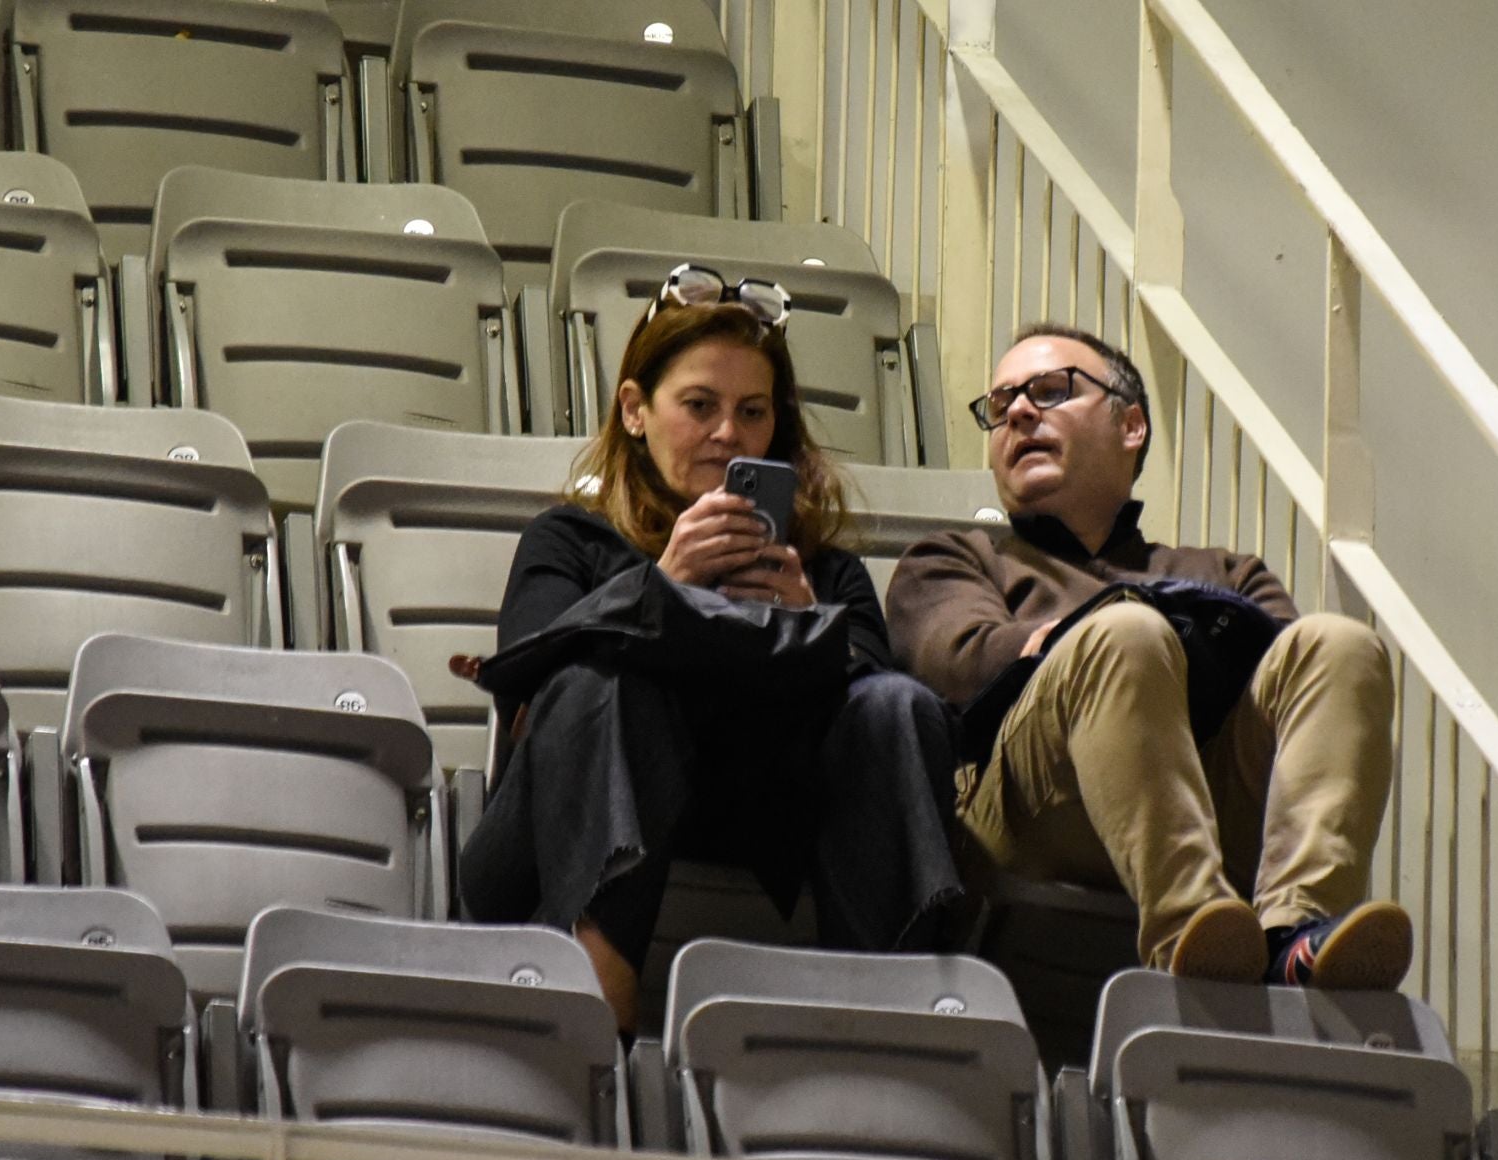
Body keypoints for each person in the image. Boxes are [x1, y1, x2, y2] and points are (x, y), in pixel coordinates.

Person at [457, 266, 965, 1030]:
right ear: (635, 410)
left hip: (755, 822)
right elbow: (530, 678)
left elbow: (882, 704)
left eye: (752, 412)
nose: (728, 433)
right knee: (603, 682)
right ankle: (599, 1007)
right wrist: (663, 586)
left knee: (894, 702)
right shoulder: (569, 540)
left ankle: (888, 1023)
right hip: (560, 830)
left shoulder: (823, 571)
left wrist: (806, 621)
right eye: (700, 406)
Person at [884, 323, 1410, 988]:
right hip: (1027, 809)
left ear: (1130, 426)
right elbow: (960, 664)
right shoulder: (957, 556)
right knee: (1126, 635)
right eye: (1000, 405)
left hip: (1208, 797)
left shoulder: (1227, 572)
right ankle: (1193, 934)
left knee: (1343, 645)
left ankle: (1294, 936)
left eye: (1049, 391)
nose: (1017, 411)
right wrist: (1109, 637)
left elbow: (1298, 705)